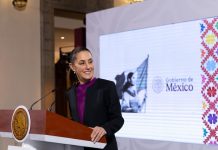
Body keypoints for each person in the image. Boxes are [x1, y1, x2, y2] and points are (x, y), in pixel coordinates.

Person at [66, 47, 124, 150]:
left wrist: (104, 129)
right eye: (82, 63)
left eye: (90, 61)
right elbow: (76, 121)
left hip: (105, 147)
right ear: (72, 67)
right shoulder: (71, 92)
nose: (88, 67)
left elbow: (118, 119)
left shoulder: (107, 86)